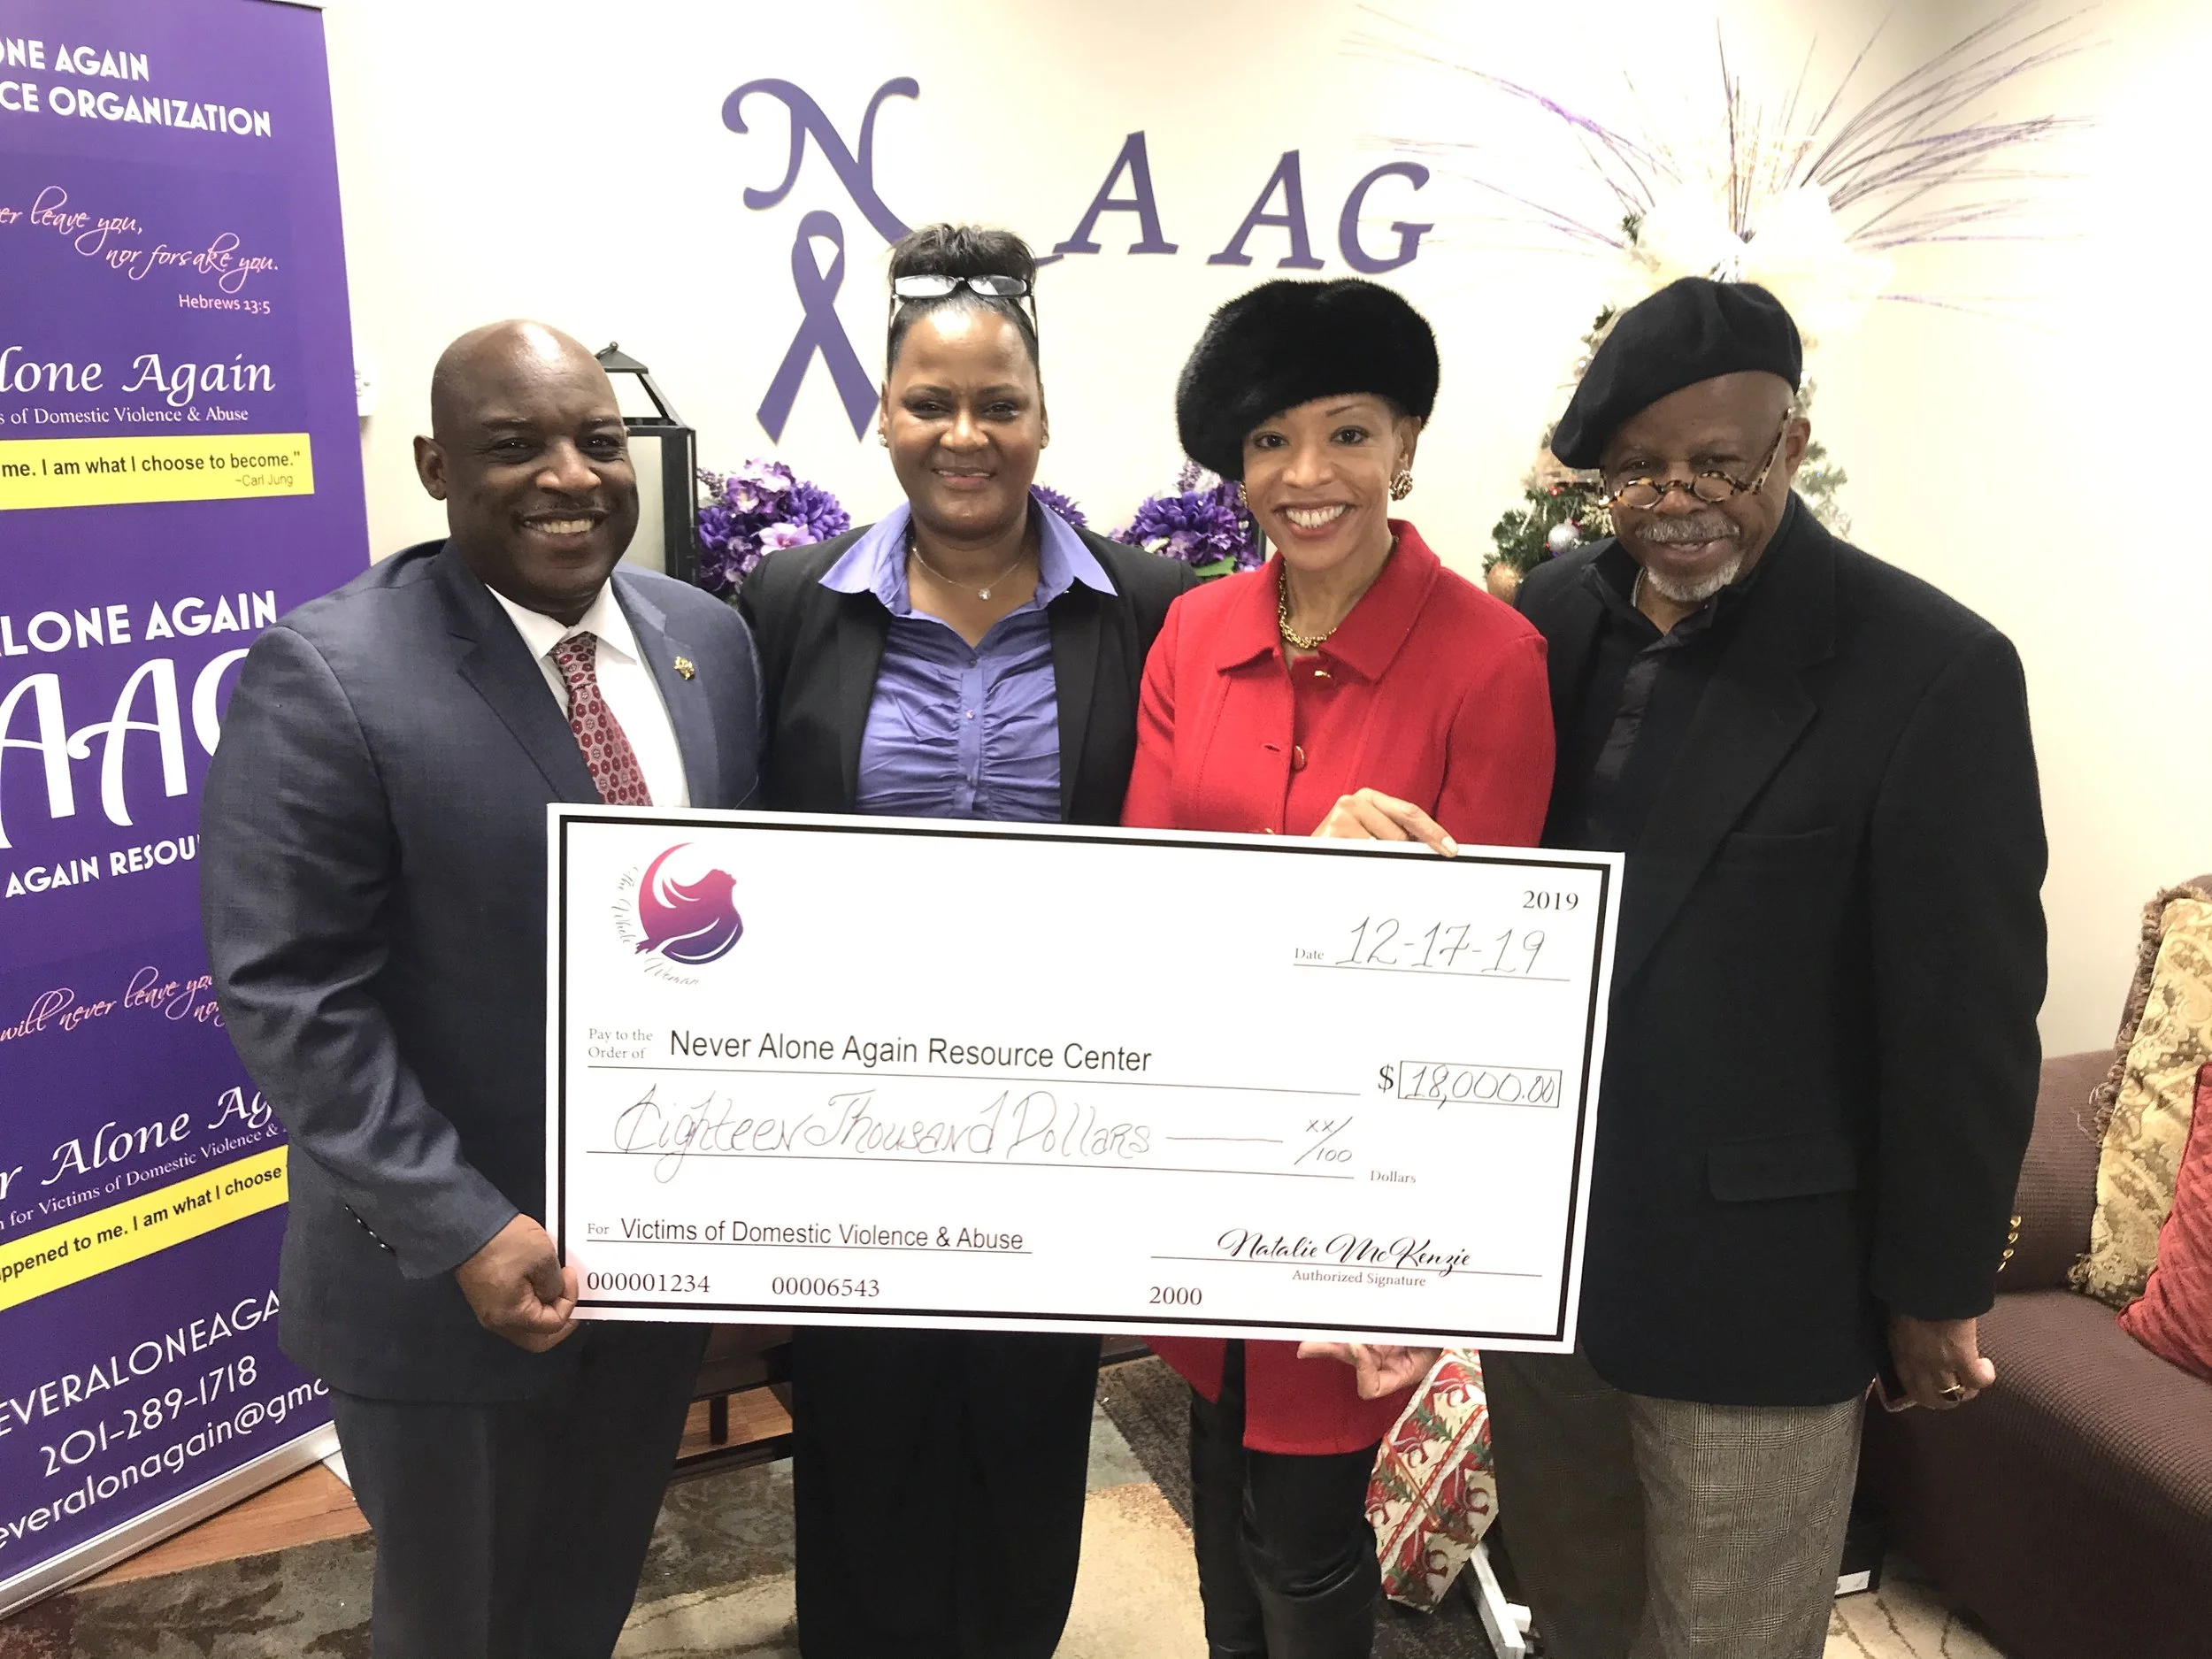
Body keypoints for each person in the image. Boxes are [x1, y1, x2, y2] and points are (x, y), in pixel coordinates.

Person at [1492, 277, 2047, 1659]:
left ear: (1792, 444)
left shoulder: (1931, 668)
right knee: (1577, 1613)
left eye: (1718, 464)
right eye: (1637, 469)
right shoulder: (1548, 616)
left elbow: (1966, 1014)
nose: (1676, 500)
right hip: (1542, 1261)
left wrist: (1934, 1283)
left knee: (1731, 1640)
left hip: (1760, 1285)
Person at [200, 322, 764, 1659]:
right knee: (460, 1626)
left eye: (597, 441)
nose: (569, 476)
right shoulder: (331, 673)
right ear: (435, 465)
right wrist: (461, 1225)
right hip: (445, 1290)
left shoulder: (709, 640)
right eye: (515, 446)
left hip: (651, 1270)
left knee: (583, 1600)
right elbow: (289, 988)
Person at [736, 223, 1196, 1659]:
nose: (965, 433)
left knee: (1025, 1430)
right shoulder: (792, 603)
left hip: (1060, 1119)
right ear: (883, 414)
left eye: (1000, 402)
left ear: (1043, 417)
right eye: (929, 401)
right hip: (852, 1121)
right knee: (862, 1438)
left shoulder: (1145, 607)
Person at [1120, 276, 1555, 1659]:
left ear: (1406, 444)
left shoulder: (1493, 660)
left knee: (1305, 1529)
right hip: (1206, 1142)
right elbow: (1143, 900)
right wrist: (1307, 878)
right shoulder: (1195, 633)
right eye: (1271, 441)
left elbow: (1490, 984)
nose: (1306, 475)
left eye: (1348, 433)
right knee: (1218, 1480)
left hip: (1360, 1172)